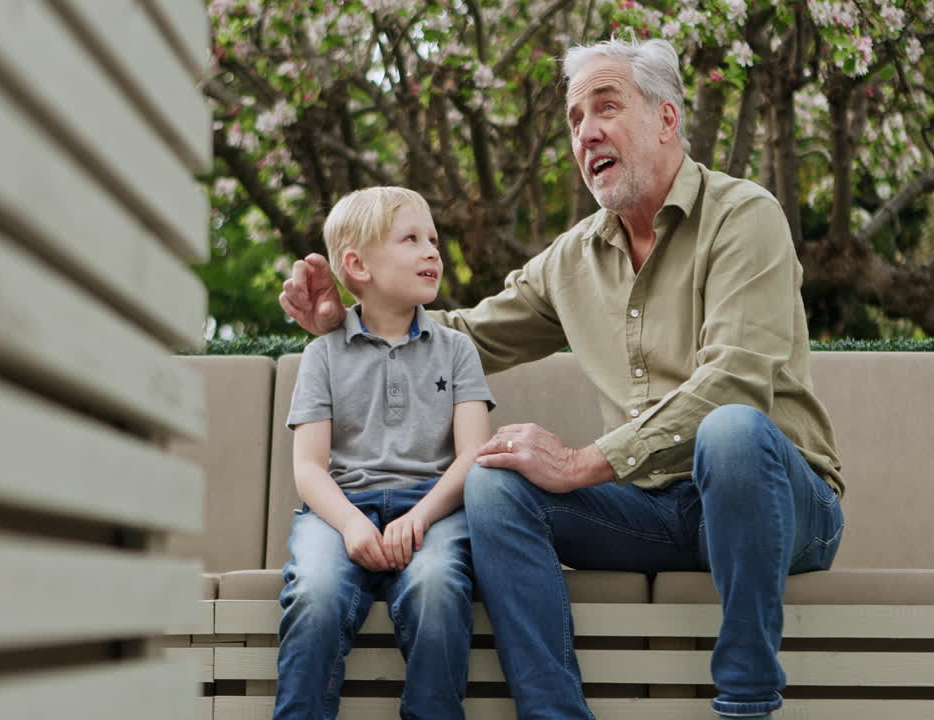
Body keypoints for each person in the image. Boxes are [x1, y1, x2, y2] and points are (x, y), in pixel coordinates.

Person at [281, 36, 845, 720]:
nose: (586, 133)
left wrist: (583, 462)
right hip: (653, 511)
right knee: (493, 477)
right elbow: (462, 337)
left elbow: (734, 382)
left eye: (606, 108)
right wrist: (350, 319)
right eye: (576, 120)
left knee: (728, 432)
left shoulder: (744, 216)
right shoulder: (572, 259)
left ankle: (747, 702)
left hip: (776, 504)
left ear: (667, 118)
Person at [274, 186, 494, 720]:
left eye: (434, 240)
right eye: (411, 239)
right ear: (357, 264)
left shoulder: (457, 348)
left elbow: (473, 457)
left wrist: (419, 518)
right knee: (318, 592)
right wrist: (351, 526)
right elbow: (309, 467)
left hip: (434, 508)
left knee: (438, 586)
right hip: (341, 509)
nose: (432, 252)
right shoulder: (322, 354)